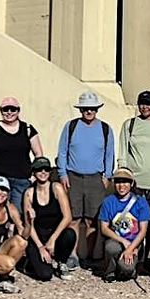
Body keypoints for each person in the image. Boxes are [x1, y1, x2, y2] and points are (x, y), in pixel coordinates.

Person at [57, 90, 115, 269]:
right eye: (85, 109)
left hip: (95, 178)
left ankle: (88, 256)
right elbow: (62, 152)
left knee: (92, 219)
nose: (88, 112)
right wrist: (62, 173)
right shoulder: (71, 126)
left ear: (97, 109)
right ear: (80, 110)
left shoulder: (105, 129)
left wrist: (107, 176)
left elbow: (109, 154)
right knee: (74, 218)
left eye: (92, 109)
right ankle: (73, 254)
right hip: (73, 176)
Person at [0, 96, 43, 215]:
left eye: (13, 109)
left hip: (21, 180)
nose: (9, 112)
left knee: (17, 215)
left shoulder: (27, 129)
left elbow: (39, 154)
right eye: (6, 109)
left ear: (18, 110)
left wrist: (33, 176)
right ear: (1, 111)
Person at [22, 156, 75, 282]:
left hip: (55, 233)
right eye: (39, 169)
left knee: (70, 234)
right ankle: (30, 263)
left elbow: (67, 217)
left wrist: (52, 240)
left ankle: (61, 262)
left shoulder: (56, 188)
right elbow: (28, 225)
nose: (43, 172)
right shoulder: (29, 193)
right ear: (34, 172)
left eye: (46, 169)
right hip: (37, 236)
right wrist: (40, 247)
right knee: (45, 275)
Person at [97, 169, 150, 281]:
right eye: (118, 182)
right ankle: (110, 271)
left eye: (125, 182)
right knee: (111, 247)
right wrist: (123, 241)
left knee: (127, 269)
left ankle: (128, 268)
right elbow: (104, 228)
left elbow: (143, 230)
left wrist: (131, 248)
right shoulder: (108, 202)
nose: (121, 186)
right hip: (116, 240)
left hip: (135, 242)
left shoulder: (140, 202)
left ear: (131, 183)